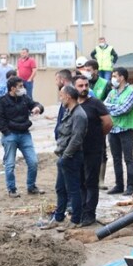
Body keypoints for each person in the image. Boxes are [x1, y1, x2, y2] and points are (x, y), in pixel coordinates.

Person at [41, 85, 87, 231]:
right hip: (64, 156)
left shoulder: (79, 115)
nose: (60, 98)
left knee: (73, 190)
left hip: (71, 157)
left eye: (61, 95)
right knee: (60, 188)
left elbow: (76, 139)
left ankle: (75, 220)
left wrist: (65, 157)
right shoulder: (69, 111)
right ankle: (59, 217)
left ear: (68, 96)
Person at [0, 76, 45, 197]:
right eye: (20, 86)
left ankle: (31, 187)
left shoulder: (24, 98)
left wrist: (38, 108)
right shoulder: (2, 101)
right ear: (12, 88)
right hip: (10, 136)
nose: (23, 88)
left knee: (33, 162)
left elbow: (35, 104)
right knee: (10, 164)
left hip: (25, 134)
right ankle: (12, 189)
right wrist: (7, 133)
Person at [73, 75, 112, 226]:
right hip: (77, 150)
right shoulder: (73, 104)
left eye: (86, 85)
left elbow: (108, 123)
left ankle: (90, 214)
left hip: (94, 149)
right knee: (80, 181)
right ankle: (82, 210)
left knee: (91, 182)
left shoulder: (95, 103)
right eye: (80, 86)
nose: (84, 88)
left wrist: (96, 135)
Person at [104, 66, 133, 196]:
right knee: (116, 158)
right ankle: (119, 185)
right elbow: (104, 105)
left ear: (122, 77)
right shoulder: (112, 92)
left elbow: (124, 109)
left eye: (115, 76)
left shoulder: (131, 92)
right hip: (112, 129)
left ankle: (130, 186)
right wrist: (114, 107)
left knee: (128, 159)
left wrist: (111, 108)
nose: (113, 78)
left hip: (126, 129)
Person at [53, 69, 75, 141]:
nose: (56, 83)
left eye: (57, 80)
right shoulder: (65, 93)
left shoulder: (70, 95)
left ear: (62, 80)